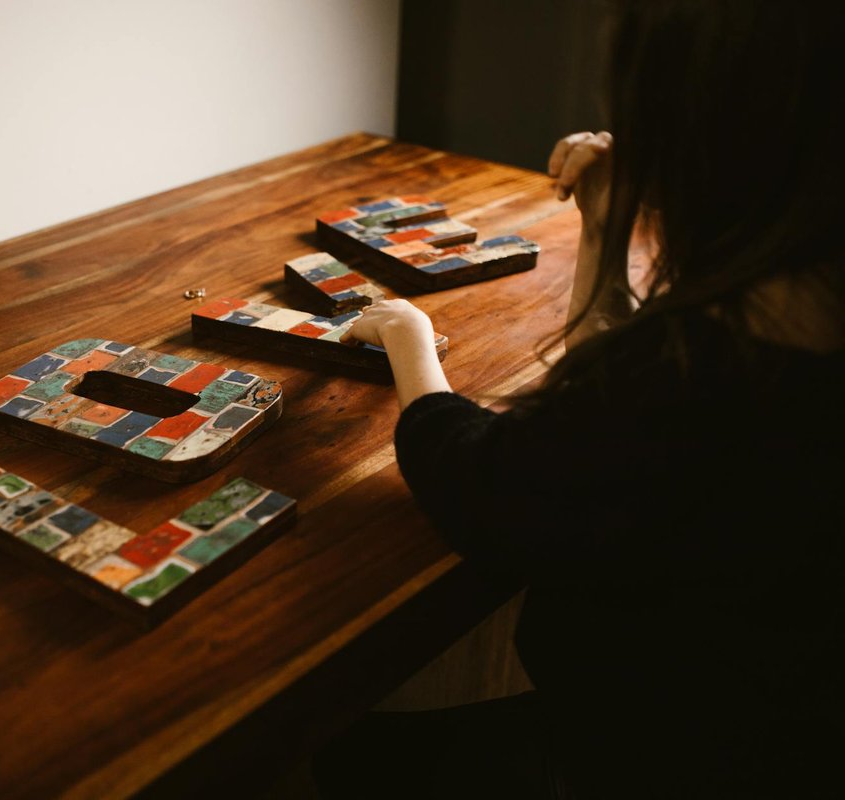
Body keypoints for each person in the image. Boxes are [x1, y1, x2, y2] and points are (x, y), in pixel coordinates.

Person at [313, 0, 844, 797]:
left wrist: (411, 341)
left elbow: (478, 484)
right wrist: (604, 228)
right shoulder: (782, 320)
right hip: (783, 728)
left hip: (653, 751)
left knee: (352, 756)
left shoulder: (698, 378)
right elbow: (613, 413)